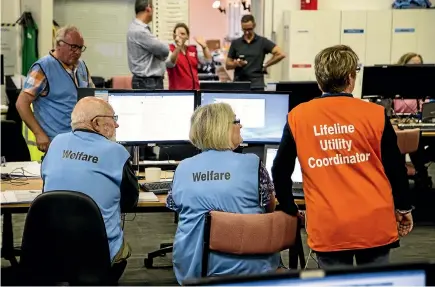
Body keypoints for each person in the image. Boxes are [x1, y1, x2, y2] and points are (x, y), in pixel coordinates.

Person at [272, 45, 414, 268]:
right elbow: (395, 168)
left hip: (329, 225)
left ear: (319, 81)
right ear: (351, 78)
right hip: (374, 223)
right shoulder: (375, 114)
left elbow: (279, 170)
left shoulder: (298, 117)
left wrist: (290, 208)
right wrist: (404, 208)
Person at [167, 103, 280, 283]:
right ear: (222, 128)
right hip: (252, 268)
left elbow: (175, 206)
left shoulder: (182, 167)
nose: (240, 126)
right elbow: (270, 207)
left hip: (194, 270)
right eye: (236, 121)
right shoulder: (254, 164)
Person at [41, 97, 139, 282]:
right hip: (99, 255)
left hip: (51, 251)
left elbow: (47, 187)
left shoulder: (55, 144)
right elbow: (130, 202)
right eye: (112, 118)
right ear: (96, 123)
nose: (116, 125)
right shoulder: (117, 152)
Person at [16, 25, 94, 153]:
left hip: (81, 141)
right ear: (59, 44)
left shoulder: (82, 67)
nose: (78, 52)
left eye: (80, 48)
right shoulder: (43, 68)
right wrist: (39, 133)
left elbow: (93, 97)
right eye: (73, 47)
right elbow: (21, 104)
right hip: (56, 143)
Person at [393, 53, 432, 189]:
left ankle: (421, 178)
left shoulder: (426, 86)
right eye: (412, 65)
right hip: (399, 127)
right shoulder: (394, 85)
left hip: (420, 126)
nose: (416, 68)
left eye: (419, 65)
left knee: (419, 146)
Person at [225, 14, 285, 91]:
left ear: (254, 25)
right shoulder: (236, 43)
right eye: (244, 29)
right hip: (239, 84)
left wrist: (266, 64)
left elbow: (281, 54)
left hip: (256, 85)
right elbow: (227, 65)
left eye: (249, 29)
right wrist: (236, 64)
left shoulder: (262, 42)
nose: (247, 32)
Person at [127, 0, 169, 89]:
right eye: (153, 8)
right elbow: (164, 50)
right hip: (148, 83)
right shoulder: (140, 30)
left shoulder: (135, 28)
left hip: (145, 82)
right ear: (148, 8)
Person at [166, 23, 212, 90]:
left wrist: (204, 47)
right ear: (174, 36)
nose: (180, 36)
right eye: (178, 34)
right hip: (178, 93)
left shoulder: (192, 49)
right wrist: (178, 47)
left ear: (187, 36)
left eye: (183, 34)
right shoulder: (169, 49)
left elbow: (208, 60)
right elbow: (170, 63)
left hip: (195, 91)